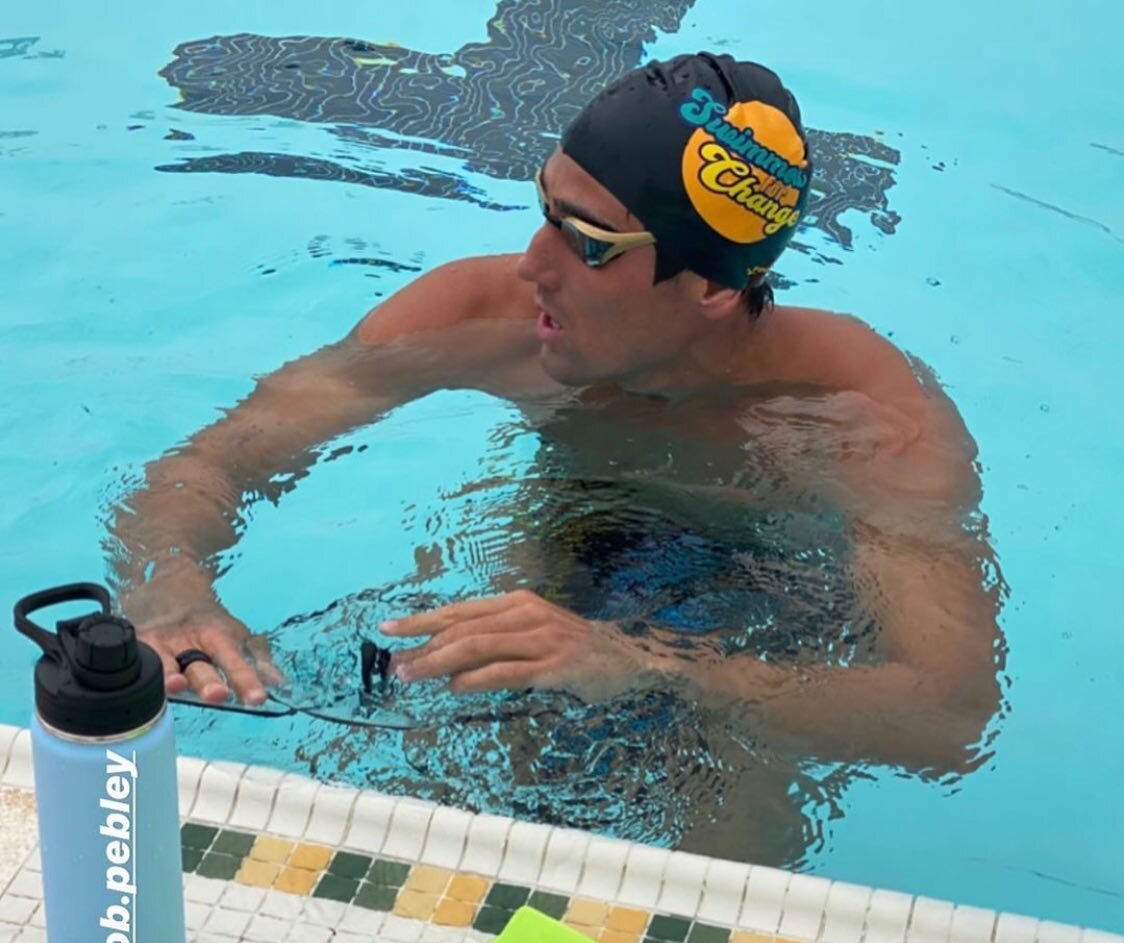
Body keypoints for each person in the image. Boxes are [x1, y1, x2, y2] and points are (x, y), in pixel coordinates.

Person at [110, 52, 1003, 774]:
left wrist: (652, 667)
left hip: (785, 609)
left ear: (711, 288)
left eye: (587, 242)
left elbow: (945, 711)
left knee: (729, 782)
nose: (533, 264)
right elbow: (216, 459)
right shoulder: (476, 319)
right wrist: (171, 587)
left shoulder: (864, 419)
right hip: (580, 545)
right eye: (545, 210)